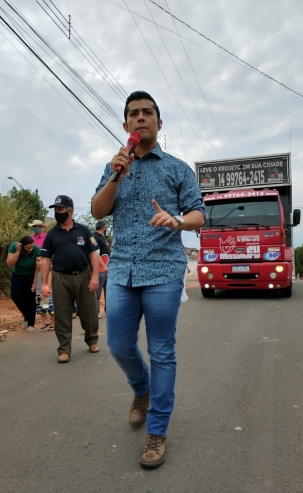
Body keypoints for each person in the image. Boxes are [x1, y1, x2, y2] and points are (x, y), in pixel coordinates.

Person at [92, 90, 205, 468]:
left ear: (159, 122)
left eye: (148, 113)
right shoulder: (114, 168)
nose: (141, 118)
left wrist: (177, 220)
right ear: (126, 125)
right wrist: (115, 176)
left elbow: (199, 215)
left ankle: (157, 431)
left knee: (162, 352)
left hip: (163, 270)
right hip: (122, 270)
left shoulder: (177, 169)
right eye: (134, 114)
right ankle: (141, 389)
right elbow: (97, 211)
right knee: (119, 346)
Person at [39, 195, 100, 363]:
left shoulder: (83, 230)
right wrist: (44, 283)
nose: (57, 212)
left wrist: (95, 276)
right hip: (60, 278)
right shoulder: (51, 235)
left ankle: (92, 340)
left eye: (60, 209)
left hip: (83, 275)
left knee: (88, 311)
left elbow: (93, 254)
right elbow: (45, 259)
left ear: (70, 211)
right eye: (55, 209)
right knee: (62, 314)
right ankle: (64, 349)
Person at [6, 236, 40, 331]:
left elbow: (37, 268)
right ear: (22, 246)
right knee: (15, 297)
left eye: (32, 247)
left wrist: (34, 282)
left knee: (30, 298)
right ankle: (26, 315)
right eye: (28, 248)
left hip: (30, 275)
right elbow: (9, 264)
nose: (30, 249)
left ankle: (31, 323)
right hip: (17, 274)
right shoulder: (14, 246)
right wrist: (17, 251)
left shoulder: (36, 249)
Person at [92, 220, 109, 318]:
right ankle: (96, 311)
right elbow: (95, 253)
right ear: (104, 227)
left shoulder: (102, 238)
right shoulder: (94, 237)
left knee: (108, 291)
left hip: (106, 269)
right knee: (97, 292)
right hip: (99, 269)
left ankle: (108, 310)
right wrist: (103, 266)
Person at [34, 256, 55, 330]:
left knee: (50, 309)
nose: (37, 262)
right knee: (41, 308)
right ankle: (46, 321)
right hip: (39, 293)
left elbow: (49, 283)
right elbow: (36, 281)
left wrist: (45, 292)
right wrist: (34, 287)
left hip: (46, 294)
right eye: (36, 261)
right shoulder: (38, 271)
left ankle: (53, 323)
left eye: (39, 261)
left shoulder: (48, 272)